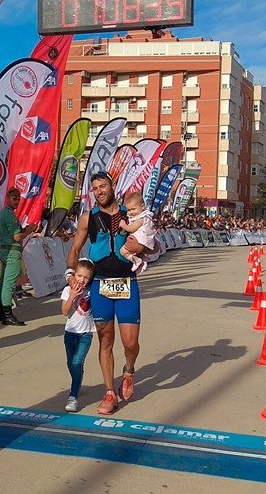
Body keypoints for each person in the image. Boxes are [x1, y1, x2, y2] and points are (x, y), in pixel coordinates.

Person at [66, 171, 155, 415]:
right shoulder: (88, 218)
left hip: (127, 282)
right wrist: (70, 275)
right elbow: (74, 250)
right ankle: (109, 392)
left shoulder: (132, 213)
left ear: (112, 186)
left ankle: (129, 370)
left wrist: (142, 246)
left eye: (103, 186)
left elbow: (154, 244)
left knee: (130, 343)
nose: (99, 191)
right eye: (95, 188)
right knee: (105, 340)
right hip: (100, 284)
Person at [0, 188, 37, 326]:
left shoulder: (5, 214)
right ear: (7, 198)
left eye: (18, 199)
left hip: (5, 249)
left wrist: (24, 230)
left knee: (3, 281)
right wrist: (28, 231)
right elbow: (17, 236)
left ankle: (1, 311)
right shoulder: (9, 215)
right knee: (9, 283)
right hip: (12, 251)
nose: (17, 202)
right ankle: (7, 314)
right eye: (14, 199)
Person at [60, 258, 96, 412]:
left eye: (86, 277)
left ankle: (73, 396)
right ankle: (78, 379)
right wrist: (73, 296)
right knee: (71, 363)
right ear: (74, 275)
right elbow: (64, 311)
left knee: (76, 362)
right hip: (70, 333)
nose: (82, 280)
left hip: (85, 334)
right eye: (80, 275)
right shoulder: (67, 290)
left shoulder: (92, 291)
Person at [118, 192, 156, 274]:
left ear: (142, 206)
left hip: (140, 240)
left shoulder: (141, 218)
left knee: (122, 252)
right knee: (137, 252)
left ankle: (137, 261)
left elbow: (131, 229)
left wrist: (124, 225)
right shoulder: (145, 216)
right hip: (144, 241)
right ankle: (143, 260)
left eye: (133, 209)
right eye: (129, 210)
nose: (131, 212)